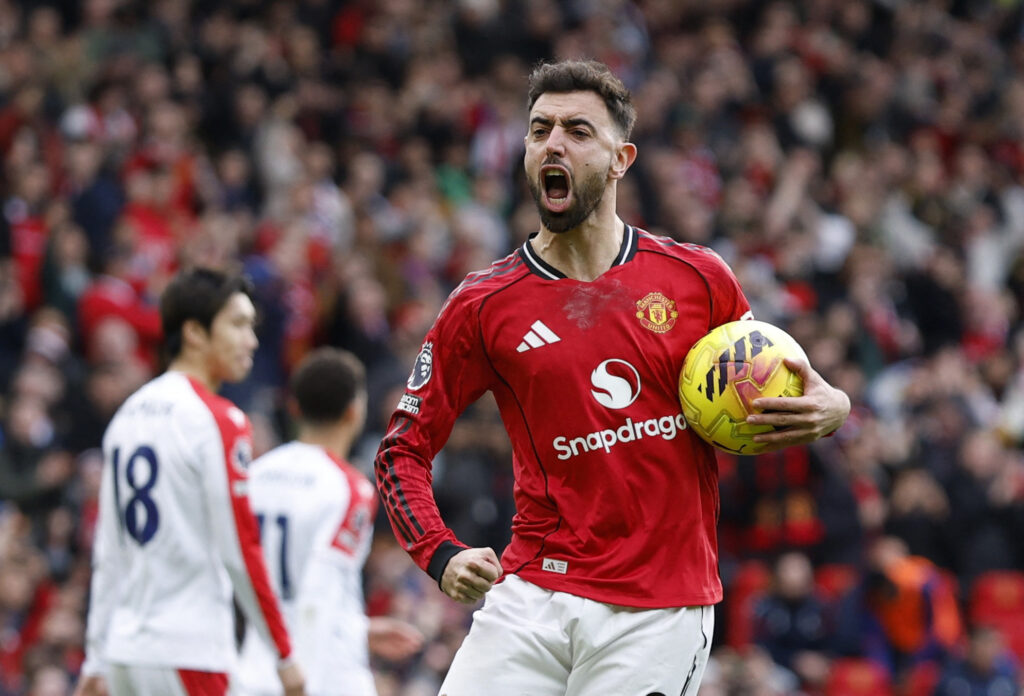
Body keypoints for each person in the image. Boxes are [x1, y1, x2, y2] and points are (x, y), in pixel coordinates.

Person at [374, 59, 850, 695]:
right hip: (533, 593)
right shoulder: (482, 305)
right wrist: (440, 553)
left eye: (577, 131)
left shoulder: (699, 279)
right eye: (539, 130)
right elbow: (402, 449)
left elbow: (779, 387)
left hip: (659, 608)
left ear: (621, 159)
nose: (553, 144)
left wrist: (835, 407)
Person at [75, 268, 304, 696]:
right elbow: (241, 546)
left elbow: (108, 549)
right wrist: (284, 654)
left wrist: (95, 656)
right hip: (189, 650)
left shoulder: (127, 414)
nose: (251, 341)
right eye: (238, 325)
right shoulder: (220, 420)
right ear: (195, 332)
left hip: (125, 652)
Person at [235, 347, 423, 696]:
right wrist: (299, 672)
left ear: (294, 408)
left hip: (254, 670)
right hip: (320, 675)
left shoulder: (254, 476)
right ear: (355, 411)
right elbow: (316, 592)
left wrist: (358, 630)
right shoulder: (350, 488)